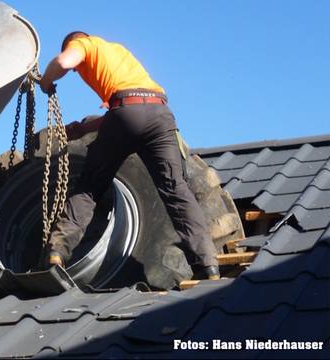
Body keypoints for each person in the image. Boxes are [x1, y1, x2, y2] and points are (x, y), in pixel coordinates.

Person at [39, 31, 220, 280]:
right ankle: (207, 265)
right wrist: (82, 129)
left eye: (77, 70)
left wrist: (47, 81)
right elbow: (130, 106)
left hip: (126, 113)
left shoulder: (83, 44)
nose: (76, 71)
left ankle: (57, 253)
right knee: (177, 191)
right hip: (160, 113)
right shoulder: (119, 53)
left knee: (90, 187)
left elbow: (63, 63)